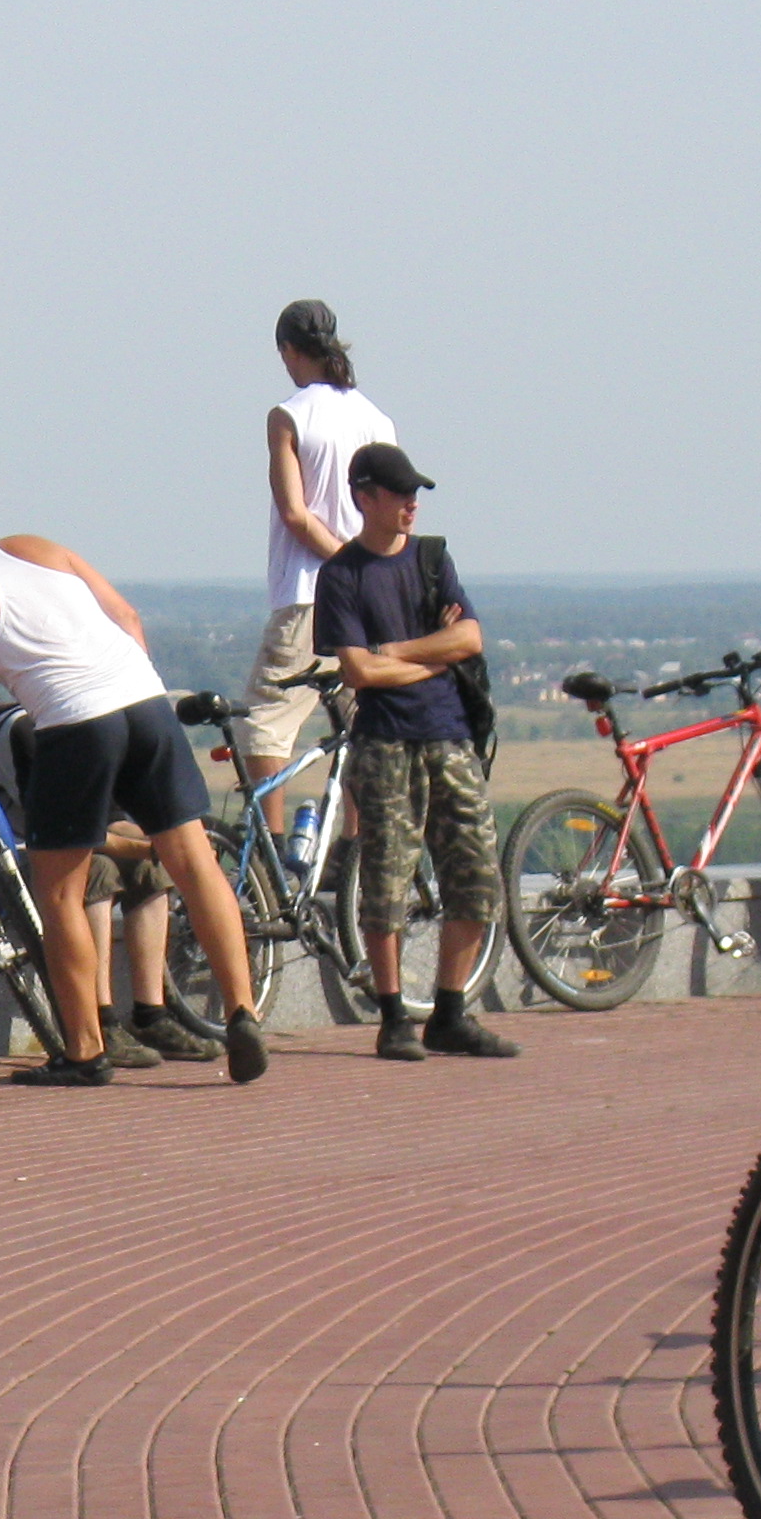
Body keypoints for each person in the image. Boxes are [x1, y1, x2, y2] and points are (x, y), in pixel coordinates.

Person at [0, 508, 267, 1086]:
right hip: (145, 702)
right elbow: (127, 617)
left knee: (59, 889)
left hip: (74, 724)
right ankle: (242, 1011)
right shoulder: (30, 545)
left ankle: (86, 1050)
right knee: (194, 862)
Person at [313, 443, 517, 1062]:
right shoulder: (342, 575)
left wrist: (394, 652)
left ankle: (450, 1013)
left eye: (415, 494)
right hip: (385, 745)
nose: (411, 504)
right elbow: (358, 673)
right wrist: (433, 652)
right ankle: (393, 1016)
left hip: (450, 737)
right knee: (386, 884)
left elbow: (470, 638)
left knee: (476, 878)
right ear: (364, 497)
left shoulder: (432, 559)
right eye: (400, 493)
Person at [238, 299, 397, 791]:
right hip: (373, 600)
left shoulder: (289, 416)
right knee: (364, 728)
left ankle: (270, 835)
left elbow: (295, 514)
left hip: (310, 594)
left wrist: (345, 563)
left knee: (263, 724)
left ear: (288, 350)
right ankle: (357, 837)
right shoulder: (377, 420)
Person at [86, 839, 218, 1067]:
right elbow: (87, 834)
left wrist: (173, 843)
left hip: (86, 843)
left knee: (149, 869)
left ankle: (149, 1017)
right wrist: (157, 847)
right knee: (100, 869)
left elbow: (115, 825)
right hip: (37, 855)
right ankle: (100, 1023)